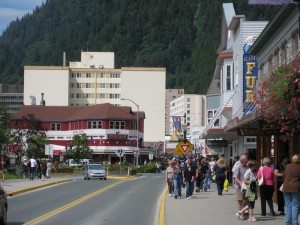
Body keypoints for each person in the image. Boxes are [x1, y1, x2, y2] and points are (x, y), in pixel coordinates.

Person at [282, 154, 300, 225]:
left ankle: (288, 222)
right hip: (296, 188)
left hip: (286, 187)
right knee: (295, 206)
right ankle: (295, 222)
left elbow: (284, 175)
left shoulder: (288, 166)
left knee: (288, 205)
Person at [233, 153, 249, 219]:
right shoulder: (238, 167)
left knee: (245, 201)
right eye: (246, 159)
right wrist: (240, 183)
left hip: (246, 186)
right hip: (239, 187)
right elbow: (235, 177)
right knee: (240, 200)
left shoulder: (247, 167)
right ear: (242, 160)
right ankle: (240, 214)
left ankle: (243, 213)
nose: (247, 160)